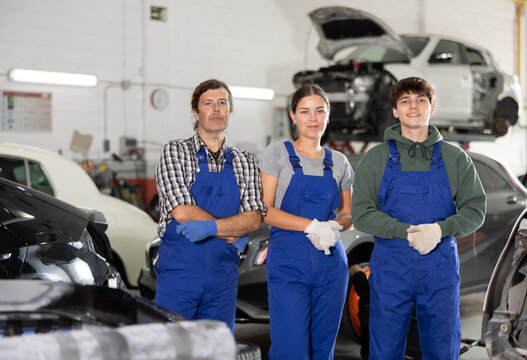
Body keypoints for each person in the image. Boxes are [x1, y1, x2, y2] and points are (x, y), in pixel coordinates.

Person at [352, 76, 486, 359]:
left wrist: (440, 230)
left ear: (432, 107)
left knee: (443, 349)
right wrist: (405, 232)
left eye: (420, 100)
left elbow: (475, 209)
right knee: (384, 350)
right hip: (391, 269)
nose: (413, 106)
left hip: (439, 270)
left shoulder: (455, 158)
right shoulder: (375, 160)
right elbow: (362, 214)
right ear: (395, 111)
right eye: (405, 101)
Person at [154, 79, 265, 332]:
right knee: (171, 348)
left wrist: (211, 228)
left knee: (216, 350)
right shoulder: (176, 152)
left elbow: (253, 219)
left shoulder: (244, 161)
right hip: (179, 275)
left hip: (222, 278)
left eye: (222, 103)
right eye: (208, 103)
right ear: (196, 112)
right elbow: (181, 210)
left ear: (230, 109)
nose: (216, 109)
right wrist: (228, 230)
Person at [259, 84, 353, 359]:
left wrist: (335, 226)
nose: (312, 118)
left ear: (328, 115)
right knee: (291, 350)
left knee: (323, 350)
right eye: (305, 111)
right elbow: (264, 210)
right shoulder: (276, 154)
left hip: (330, 265)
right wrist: (311, 226)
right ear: (293, 116)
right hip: (289, 265)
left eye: (319, 111)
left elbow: (347, 214)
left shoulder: (339, 161)